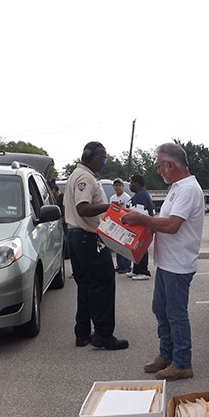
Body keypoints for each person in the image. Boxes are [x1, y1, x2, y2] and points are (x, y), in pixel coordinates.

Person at [120, 143, 204, 380]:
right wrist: (143, 225)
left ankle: (182, 362)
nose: (158, 171)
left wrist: (142, 219)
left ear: (170, 164)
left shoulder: (188, 189)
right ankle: (166, 355)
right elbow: (165, 221)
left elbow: (171, 225)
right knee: (161, 309)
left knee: (176, 314)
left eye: (159, 166)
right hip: (168, 262)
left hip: (179, 264)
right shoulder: (178, 188)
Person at [64, 142, 128, 350]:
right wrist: (109, 206)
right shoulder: (85, 178)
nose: (104, 162)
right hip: (87, 239)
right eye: (102, 158)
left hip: (76, 238)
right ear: (88, 156)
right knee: (103, 284)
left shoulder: (77, 174)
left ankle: (82, 333)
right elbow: (82, 208)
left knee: (85, 285)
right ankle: (103, 335)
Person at [127, 174, 154, 281]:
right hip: (142, 226)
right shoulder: (140, 194)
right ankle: (136, 270)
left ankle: (144, 271)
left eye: (131, 182)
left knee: (141, 248)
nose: (130, 185)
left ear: (137, 183)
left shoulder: (141, 195)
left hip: (143, 227)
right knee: (136, 248)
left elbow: (139, 213)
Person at [109, 178, 132, 274]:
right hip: (116, 224)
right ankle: (120, 265)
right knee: (117, 245)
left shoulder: (126, 198)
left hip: (124, 224)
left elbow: (129, 210)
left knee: (125, 246)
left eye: (119, 185)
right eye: (116, 185)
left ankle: (127, 266)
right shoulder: (112, 198)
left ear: (123, 186)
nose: (117, 187)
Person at [48, 180, 69, 259]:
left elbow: (66, 214)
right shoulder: (54, 200)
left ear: (53, 190)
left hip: (65, 225)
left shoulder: (62, 198)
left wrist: (59, 221)